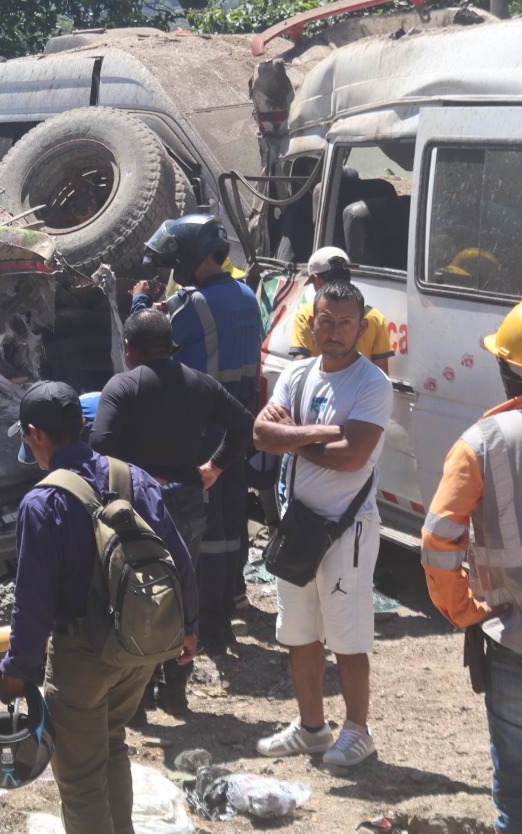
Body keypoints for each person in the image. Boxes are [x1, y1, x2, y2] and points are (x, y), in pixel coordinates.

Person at [0, 381, 199, 834]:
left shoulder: (43, 502)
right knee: (111, 742)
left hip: (84, 655)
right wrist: (188, 626)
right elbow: (178, 558)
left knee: (80, 776)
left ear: (35, 434)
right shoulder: (133, 478)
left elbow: (32, 604)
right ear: (82, 425)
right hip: (141, 647)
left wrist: (19, 669)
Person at [420, 298, 522, 834]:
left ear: (505, 368)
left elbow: (440, 541)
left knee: (518, 811)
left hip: (518, 650)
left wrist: (465, 612)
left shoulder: (480, 444)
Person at [251, 279, 392, 767]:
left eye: (345, 322)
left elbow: (353, 457)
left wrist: (292, 437)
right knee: (299, 633)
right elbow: (261, 433)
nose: (334, 331)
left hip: (346, 531)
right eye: (326, 320)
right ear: (312, 322)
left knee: (348, 638)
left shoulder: (373, 384)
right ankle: (312, 727)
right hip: (298, 527)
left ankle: (359, 730)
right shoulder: (297, 373)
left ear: (362, 326)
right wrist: (322, 433)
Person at [90, 308, 254, 716]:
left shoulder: (122, 387)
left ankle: (139, 697)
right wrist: (214, 467)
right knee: (181, 589)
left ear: (129, 348)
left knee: (133, 591)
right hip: (185, 500)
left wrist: (131, 478)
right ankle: (175, 689)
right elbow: (244, 425)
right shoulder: (201, 384)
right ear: (171, 345)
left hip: (134, 506)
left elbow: (100, 446)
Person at [132, 213, 260, 651]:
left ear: (190, 257)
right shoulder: (246, 294)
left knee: (203, 527)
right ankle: (230, 601)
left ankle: (206, 622)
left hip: (203, 428)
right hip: (238, 424)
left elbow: (148, 338)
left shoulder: (194, 304)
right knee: (231, 519)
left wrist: (139, 303)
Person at [288, 247, 394, 372]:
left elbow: (299, 366)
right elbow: (382, 373)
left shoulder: (307, 314)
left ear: (318, 280)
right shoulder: (375, 317)